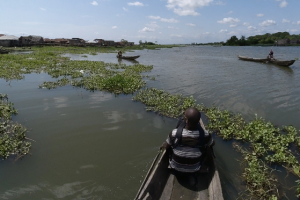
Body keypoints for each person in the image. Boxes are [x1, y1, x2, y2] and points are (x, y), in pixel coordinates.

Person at [160, 108, 214, 175]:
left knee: (170, 144)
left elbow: (166, 146)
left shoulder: (174, 133)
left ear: (186, 120)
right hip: (195, 169)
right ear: (198, 121)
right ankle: (202, 166)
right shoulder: (205, 134)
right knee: (208, 146)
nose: (183, 117)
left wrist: (163, 145)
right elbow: (212, 144)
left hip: (175, 167)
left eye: (184, 117)